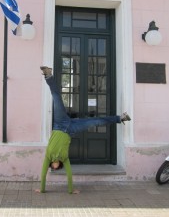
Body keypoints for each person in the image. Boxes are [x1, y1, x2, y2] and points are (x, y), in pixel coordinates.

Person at [35, 66, 131, 194]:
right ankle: (121, 118)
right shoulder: (65, 159)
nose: (54, 166)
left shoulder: (48, 156)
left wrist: (41, 190)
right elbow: (69, 175)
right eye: (55, 167)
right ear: (59, 166)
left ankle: (48, 75)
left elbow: (42, 175)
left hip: (59, 123)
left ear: (51, 165)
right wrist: (71, 190)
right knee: (95, 121)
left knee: (56, 98)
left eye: (52, 167)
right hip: (71, 129)